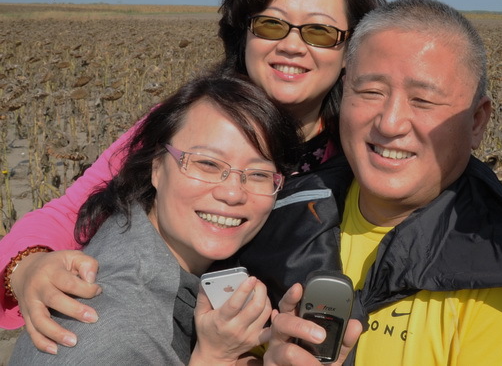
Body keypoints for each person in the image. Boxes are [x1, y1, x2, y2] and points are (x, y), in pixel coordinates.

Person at [0, 0, 386, 354]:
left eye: (320, 32)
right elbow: (72, 211)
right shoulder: (189, 122)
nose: (292, 45)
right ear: (244, 35)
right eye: (271, 25)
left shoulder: (364, 148)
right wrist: (26, 269)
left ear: (351, 51)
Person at [245, 0, 502, 366]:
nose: (390, 123)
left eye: (423, 100)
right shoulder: (281, 208)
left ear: (477, 122)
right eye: (370, 92)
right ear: (343, 93)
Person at [10, 74, 302, 363]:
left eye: (259, 174)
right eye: (207, 164)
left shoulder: (132, 238)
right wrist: (216, 358)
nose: (232, 193)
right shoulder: (111, 336)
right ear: (157, 167)